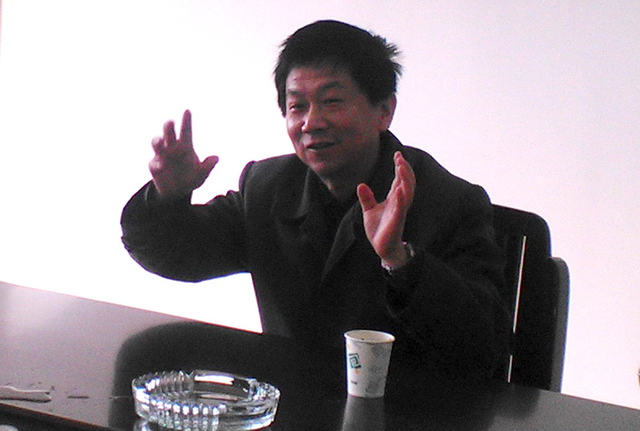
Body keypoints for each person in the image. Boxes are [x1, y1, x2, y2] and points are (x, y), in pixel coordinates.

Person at [121, 20, 511, 382]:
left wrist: (401, 260)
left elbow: (482, 349)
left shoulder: (450, 202)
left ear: (384, 111)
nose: (311, 122)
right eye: (297, 106)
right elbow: (178, 255)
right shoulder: (268, 188)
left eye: (332, 101)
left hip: (411, 412)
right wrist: (168, 198)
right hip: (296, 405)